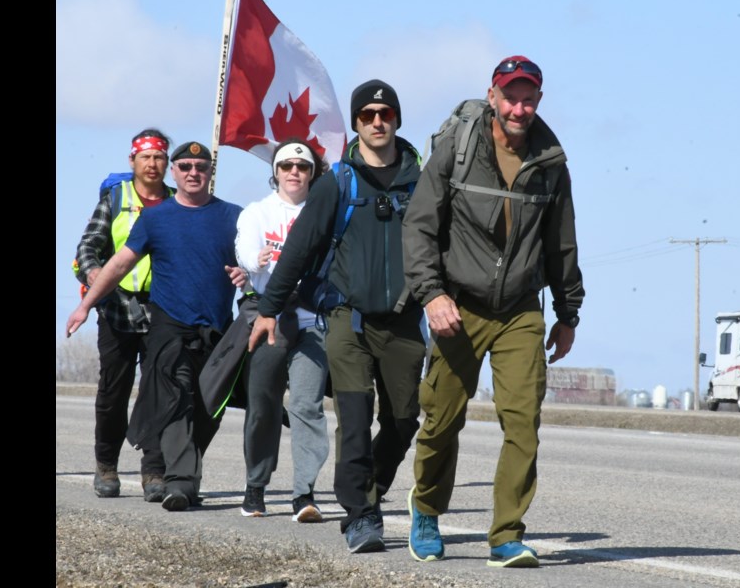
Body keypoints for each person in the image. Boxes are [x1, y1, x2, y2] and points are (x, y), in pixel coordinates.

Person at [402, 56, 586, 568]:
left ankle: (506, 534)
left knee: (522, 421)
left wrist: (568, 312)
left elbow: (562, 244)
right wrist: (431, 294)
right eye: (511, 97)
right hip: (457, 303)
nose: (519, 108)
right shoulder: (457, 150)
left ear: (539, 101)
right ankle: (426, 511)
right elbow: (418, 227)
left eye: (528, 98)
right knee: (441, 419)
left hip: (520, 310)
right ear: (493, 96)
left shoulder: (551, 165)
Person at [247, 80, 425, 553]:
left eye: (385, 113)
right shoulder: (336, 182)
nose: (377, 120)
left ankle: (370, 488)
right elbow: (299, 251)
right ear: (356, 123)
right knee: (354, 415)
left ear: (397, 119)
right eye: (367, 114)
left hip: (406, 320)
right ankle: (361, 516)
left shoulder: (422, 183)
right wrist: (268, 309)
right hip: (348, 318)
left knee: (405, 419)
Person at [67, 141, 246, 512]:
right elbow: (118, 264)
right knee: (175, 399)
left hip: (216, 329)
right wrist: (85, 304)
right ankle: (176, 481)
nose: (193, 172)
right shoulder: (156, 217)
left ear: (211, 172)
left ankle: (180, 473)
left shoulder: (233, 216)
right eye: (185, 166)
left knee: (208, 408)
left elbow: (260, 263)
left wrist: (249, 272)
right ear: (174, 171)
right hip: (168, 325)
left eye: (201, 166)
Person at [73, 128, 175, 502]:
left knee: (160, 393)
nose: (153, 164)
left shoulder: (177, 204)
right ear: (132, 161)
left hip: (164, 311)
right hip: (117, 308)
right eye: (145, 157)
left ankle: (154, 472)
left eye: (159, 157)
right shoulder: (115, 199)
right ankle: (106, 466)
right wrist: (94, 274)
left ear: (168, 163)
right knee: (113, 392)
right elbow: (86, 248)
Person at [233, 137, 330, 521]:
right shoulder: (258, 212)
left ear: (312, 174)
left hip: (310, 322)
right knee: (263, 406)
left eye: (302, 167)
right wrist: (252, 260)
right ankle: (255, 487)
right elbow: (245, 252)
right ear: (275, 173)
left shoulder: (324, 212)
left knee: (307, 405)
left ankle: (303, 494)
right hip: (268, 319)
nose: (295, 172)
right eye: (287, 166)